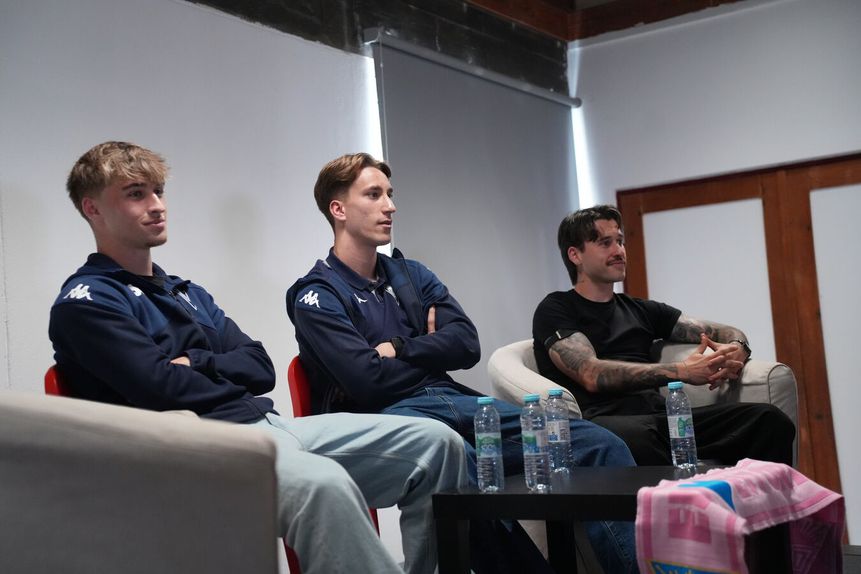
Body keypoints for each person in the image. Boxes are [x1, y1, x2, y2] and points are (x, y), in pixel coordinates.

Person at [48, 141, 469, 574]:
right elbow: (159, 387)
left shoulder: (187, 292)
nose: (157, 206)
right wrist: (215, 368)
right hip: (191, 451)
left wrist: (198, 362)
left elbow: (260, 367)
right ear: (92, 209)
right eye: (136, 193)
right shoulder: (88, 301)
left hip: (266, 427)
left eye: (159, 191)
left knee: (437, 443)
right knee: (322, 486)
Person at [286, 153, 639, 573]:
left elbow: (467, 344)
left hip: (453, 402)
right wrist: (431, 344)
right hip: (389, 418)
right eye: (374, 194)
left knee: (599, 445)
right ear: (338, 209)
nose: (390, 206)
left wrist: (400, 346)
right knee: (461, 462)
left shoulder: (411, 275)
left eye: (391, 194)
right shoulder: (316, 295)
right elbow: (367, 381)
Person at [533, 204, 795, 467]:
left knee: (768, 420)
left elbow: (723, 331)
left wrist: (737, 347)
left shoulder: (642, 310)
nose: (619, 251)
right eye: (605, 243)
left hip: (660, 417)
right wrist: (682, 370)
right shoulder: (556, 308)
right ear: (575, 255)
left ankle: (754, 504)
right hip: (601, 423)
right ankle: (686, 502)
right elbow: (591, 373)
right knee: (638, 438)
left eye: (620, 241)